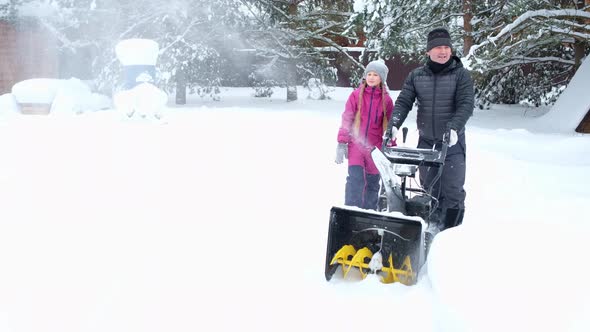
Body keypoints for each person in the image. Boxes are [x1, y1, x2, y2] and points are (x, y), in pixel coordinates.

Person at [384, 27, 474, 231]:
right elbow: (404, 101)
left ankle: (451, 234)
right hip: (426, 143)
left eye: (446, 47)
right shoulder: (417, 76)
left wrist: (453, 128)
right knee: (430, 189)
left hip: (452, 143)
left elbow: (466, 104)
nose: (443, 51)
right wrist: (394, 125)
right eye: (438, 47)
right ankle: (430, 231)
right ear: (428, 51)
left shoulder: (461, 76)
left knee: (452, 190)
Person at [335, 60, 395, 210]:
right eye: (369, 74)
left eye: (376, 74)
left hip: (375, 149)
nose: (372, 77)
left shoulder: (387, 100)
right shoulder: (356, 96)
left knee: (373, 182)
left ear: (382, 78)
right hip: (356, 145)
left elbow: (390, 126)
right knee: (355, 179)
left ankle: (369, 212)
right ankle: (351, 211)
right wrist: (342, 141)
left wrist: (391, 147)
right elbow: (347, 118)